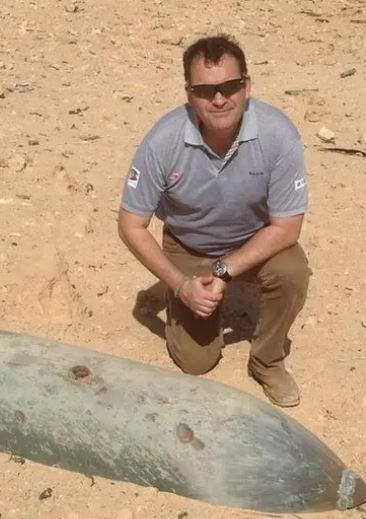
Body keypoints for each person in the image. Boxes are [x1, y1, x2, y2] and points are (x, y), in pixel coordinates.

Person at [117, 34, 310, 407]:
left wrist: (224, 271)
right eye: (206, 90)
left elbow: (287, 226)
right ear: (190, 94)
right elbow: (130, 225)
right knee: (196, 362)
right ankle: (194, 301)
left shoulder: (277, 135)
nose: (219, 99)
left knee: (292, 271)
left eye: (229, 86)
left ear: (247, 86)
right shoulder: (163, 141)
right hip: (189, 244)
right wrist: (179, 284)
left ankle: (267, 360)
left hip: (252, 242)